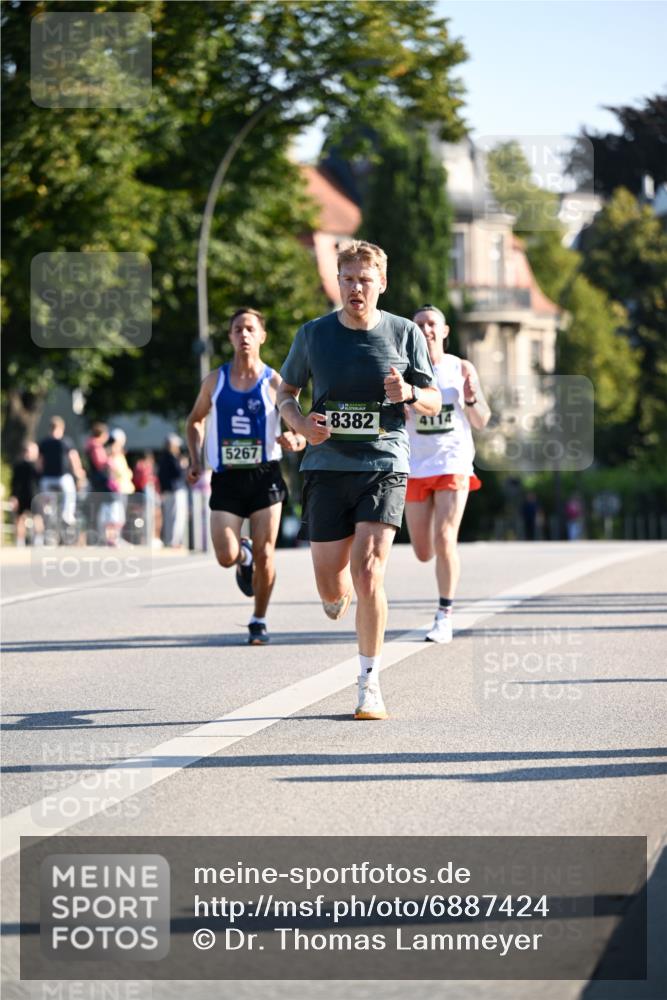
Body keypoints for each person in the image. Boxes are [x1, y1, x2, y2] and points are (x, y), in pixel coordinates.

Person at [277, 241, 441, 719]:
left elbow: (433, 400)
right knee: (332, 583)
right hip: (326, 468)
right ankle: (336, 591)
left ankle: (369, 682)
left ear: (381, 284)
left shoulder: (405, 333)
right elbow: (286, 393)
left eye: (364, 280)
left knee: (369, 570)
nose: (355, 288)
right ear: (338, 281)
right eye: (347, 279)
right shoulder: (313, 335)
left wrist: (410, 391)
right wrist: (302, 424)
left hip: (384, 463)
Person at [186, 308, 305, 645]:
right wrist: (195, 457)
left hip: (265, 474)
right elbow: (194, 420)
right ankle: (243, 556)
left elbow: (299, 426)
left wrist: (295, 439)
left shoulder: (274, 382)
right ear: (230, 337)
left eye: (250, 329)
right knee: (225, 555)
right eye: (237, 329)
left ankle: (259, 618)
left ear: (262, 336)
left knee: (268, 552)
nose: (244, 335)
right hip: (226, 477)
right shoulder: (215, 380)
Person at [405, 305, 490, 643]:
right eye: (420, 325)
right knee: (423, 551)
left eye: (431, 324)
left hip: (452, 463)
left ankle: (444, 614)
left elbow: (482, 421)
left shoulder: (461, 368)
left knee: (445, 539)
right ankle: (443, 608)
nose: (426, 329)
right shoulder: (403, 370)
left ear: (444, 330)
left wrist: (470, 400)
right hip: (415, 467)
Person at [37, 415, 86, 527]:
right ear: (61, 428)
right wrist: (78, 473)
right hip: (62, 478)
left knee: (47, 499)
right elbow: (74, 459)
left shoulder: (44, 443)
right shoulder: (66, 442)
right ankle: (67, 515)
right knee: (70, 493)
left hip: (47, 479)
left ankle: (48, 514)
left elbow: (39, 462)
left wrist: (39, 474)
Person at [158, 435, 188, 548]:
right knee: (176, 517)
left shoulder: (163, 458)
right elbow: (178, 474)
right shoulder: (173, 458)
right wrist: (183, 465)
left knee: (169, 516)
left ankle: (170, 540)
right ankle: (174, 541)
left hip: (168, 490)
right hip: (175, 490)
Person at [10, 442, 42, 544]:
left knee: (36, 518)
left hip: (33, 495)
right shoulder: (21, 466)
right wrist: (14, 497)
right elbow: (15, 483)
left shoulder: (34, 466)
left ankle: (37, 540)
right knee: (21, 519)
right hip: (24, 496)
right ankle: (21, 542)